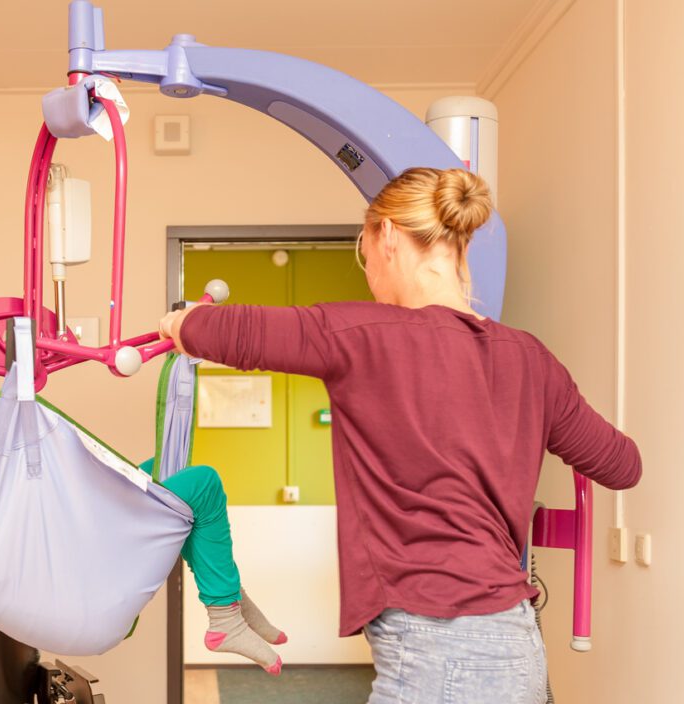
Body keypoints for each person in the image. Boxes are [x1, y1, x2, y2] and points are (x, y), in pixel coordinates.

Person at [159, 167, 642, 703]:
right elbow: (622, 465)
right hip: (518, 648)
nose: (368, 273)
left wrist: (179, 322)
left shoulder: (362, 335)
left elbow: (217, 330)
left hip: (442, 655)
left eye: (363, 253)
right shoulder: (530, 358)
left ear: (387, 235)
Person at [0, 299, 287, 674]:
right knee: (201, 485)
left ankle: (227, 595)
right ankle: (225, 614)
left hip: (61, 553)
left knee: (163, 478)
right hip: (73, 577)